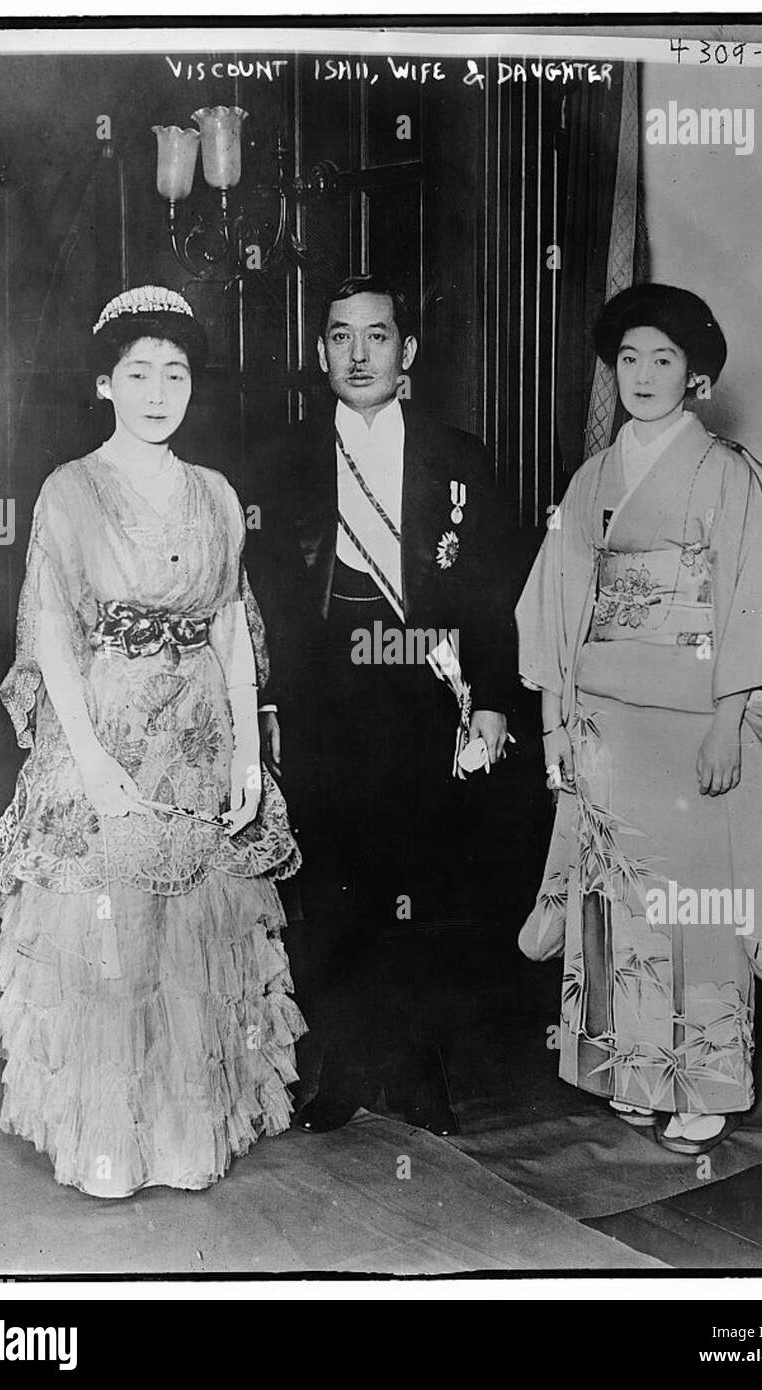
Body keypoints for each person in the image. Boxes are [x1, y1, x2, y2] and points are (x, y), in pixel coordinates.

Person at [0, 286, 305, 1197]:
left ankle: (182, 1141)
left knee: (192, 937)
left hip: (200, 732)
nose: (159, 391)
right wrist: (87, 761)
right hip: (108, 731)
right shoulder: (70, 489)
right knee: (110, 933)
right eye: (139, 374)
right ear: (105, 383)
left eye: (175, 374)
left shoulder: (217, 493)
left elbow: (233, 628)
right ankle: (108, 1145)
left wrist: (248, 750)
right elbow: (50, 631)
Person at [516, 283, 762, 1156]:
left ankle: (706, 1083)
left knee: (697, 903)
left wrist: (729, 722)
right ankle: (630, 1072)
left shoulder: (725, 475)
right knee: (616, 902)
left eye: (664, 360)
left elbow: (749, 602)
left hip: (691, 722)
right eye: (629, 358)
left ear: (697, 376)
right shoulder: (591, 478)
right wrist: (556, 727)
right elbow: (559, 606)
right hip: (604, 718)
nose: (643, 375)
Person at [248, 274, 518, 1135]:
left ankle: (419, 1066)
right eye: (339, 336)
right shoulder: (283, 460)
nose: (357, 353)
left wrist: (495, 702)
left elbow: (491, 595)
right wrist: (271, 707)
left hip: (421, 689)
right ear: (319, 350)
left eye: (376, 335)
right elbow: (270, 601)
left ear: (408, 350)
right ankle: (345, 1065)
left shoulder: (459, 458)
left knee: (424, 885)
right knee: (335, 884)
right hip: (326, 694)